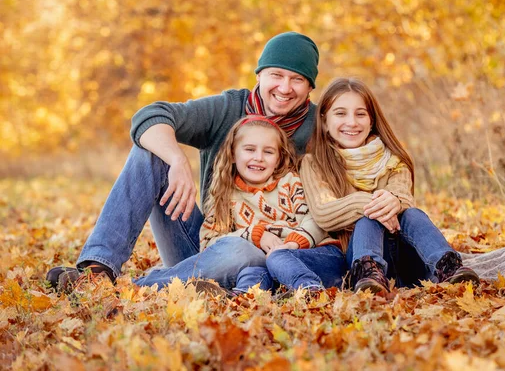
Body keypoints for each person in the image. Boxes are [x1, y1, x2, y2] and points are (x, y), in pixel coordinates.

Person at [46, 32, 321, 293]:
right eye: (276, 75)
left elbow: (361, 144)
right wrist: (177, 160)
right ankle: (98, 270)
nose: (284, 88)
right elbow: (150, 116)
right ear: (260, 75)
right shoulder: (226, 109)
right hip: (206, 244)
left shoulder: (320, 127)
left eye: (297, 79)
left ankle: (145, 287)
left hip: (277, 257)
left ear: (310, 86)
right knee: (150, 152)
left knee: (243, 252)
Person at [299, 77, 479, 295]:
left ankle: (449, 266)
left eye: (360, 114)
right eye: (340, 113)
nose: (352, 122)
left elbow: (404, 197)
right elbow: (323, 212)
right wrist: (377, 203)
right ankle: (369, 274)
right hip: (357, 256)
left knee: (412, 214)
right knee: (368, 218)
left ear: (372, 121)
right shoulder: (314, 163)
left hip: (405, 257)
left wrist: (394, 201)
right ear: (325, 121)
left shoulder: (393, 159)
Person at [188, 115, 344, 293]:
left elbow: (316, 219)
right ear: (232, 154)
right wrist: (254, 235)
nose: (259, 158)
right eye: (249, 149)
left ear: (278, 158)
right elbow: (210, 244)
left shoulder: (290, 182)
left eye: (268, 152)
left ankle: (310, 290)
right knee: (252, 272)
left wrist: (293, 243)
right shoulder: (225, 196)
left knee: (277, 258)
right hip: (268, 266)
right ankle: (242, 299)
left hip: (315, 256)